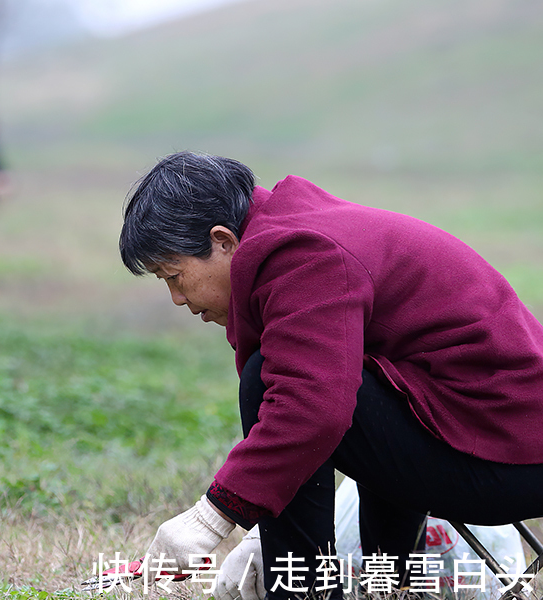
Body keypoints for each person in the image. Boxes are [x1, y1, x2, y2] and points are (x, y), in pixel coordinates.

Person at [118, 151, 543, 600]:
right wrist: (266, 526)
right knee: (320, 378)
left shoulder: (304, 255)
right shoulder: (296, 231)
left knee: (275, 383)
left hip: (508, 459)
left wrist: (211, 519)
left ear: (222, 241)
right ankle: (388, 587)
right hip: (480, 432)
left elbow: (312, 408)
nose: (177, 298)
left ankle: (304, 594)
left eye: (174, 275)